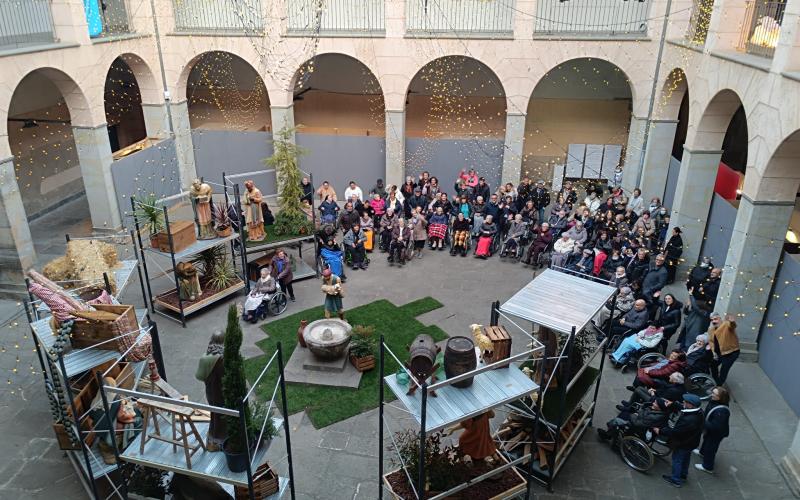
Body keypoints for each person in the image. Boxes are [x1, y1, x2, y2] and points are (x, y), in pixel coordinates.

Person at [657, 393, 704, 488]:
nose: (683, 402)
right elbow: (683, 407)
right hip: (691, 442)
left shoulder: (688, 420)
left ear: (691, 405)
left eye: (685, 402)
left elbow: (675, 432)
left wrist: (660, 431)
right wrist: (673, 404)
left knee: (677, 460)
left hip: (683, 443)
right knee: (685, 458)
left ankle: (675, 480)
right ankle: (683, 474)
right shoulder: (699, 412)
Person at [195, 331, 226, 451]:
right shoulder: (222, 358)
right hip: (221, 393)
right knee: (222, 417)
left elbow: (199, 376)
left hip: (211, 392)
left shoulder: (205, 357)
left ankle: (214, 439)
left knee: (215, 415)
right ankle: (219, 440)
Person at [694, 386, 730, 474]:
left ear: (720, 398)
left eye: (714, 394)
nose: (711, 394)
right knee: (706, 441)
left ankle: (707, 466)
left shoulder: (721, 412)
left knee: (710, 448)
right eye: (713, 392)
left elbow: (715, 426)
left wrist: (702, 421)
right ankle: (702, 452)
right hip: (711, 431)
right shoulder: (715, 402)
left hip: (716, 434)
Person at [707, 314, 739, 385]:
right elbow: (711, 341)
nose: (713, 321)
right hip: (720, 353)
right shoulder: (711, 329)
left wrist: (732, 322)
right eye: (712, 320)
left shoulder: (726, 324)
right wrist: (713, 352)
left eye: (715, 319)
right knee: (713, 365)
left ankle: (719, 385)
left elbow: (732, 326)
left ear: (720, 319)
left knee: (724, 369)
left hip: (731, 352)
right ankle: (715, 381)